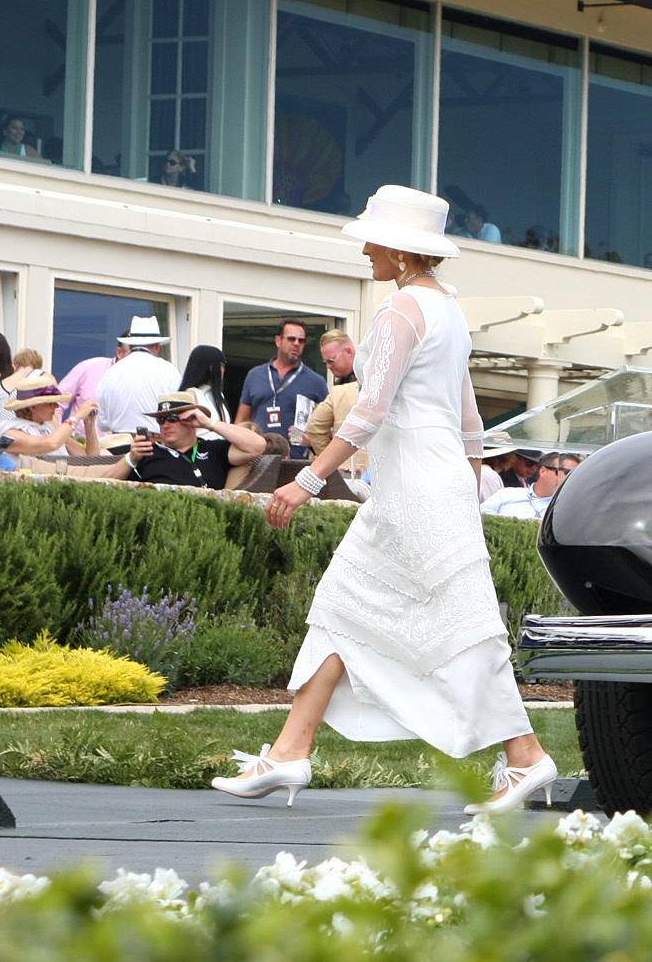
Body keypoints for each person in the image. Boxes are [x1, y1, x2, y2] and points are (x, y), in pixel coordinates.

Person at [211, 184, 555, 813]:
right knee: (345, 606)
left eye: (373, 239)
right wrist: (466, 485)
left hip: (416, 483)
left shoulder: (401, 312)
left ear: (399, 252)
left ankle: (525, 755)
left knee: (462, 624)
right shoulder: (446, 309)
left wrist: (306, 479)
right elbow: (469, 417)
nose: (365, 249)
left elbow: (370, 409)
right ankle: (289, 752)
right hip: (431, 479)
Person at [103, 391, 266, 487]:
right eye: (161, 420)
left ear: (192, 421)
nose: (165, 425)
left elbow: (257, 446)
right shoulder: (146, 452)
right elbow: (101, 485)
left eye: (173, 418)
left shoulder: (213, 450)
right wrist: (130, 459)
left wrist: (209, 423)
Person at [236, 321, 329, 455]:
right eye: (291, 338)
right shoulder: (255, 375)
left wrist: (311, 441)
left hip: (296, 460)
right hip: (258, 458)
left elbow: (327, 428)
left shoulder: (315, 381)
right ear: (278, 340)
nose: (296, 343)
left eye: (301, 340)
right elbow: (242, 420)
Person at [94, 317, 181, 436]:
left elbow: (103, 423)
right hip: (154, 446)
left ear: (130, 346)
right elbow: (179, 410)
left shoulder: (111, 372)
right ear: (157, 347)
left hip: (117, 446)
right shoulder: (167, 370)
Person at [300, 329, 364, 469]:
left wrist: (332, 462)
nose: (328, 366)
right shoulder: (340, 385)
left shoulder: (341, 390)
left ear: (349, 352)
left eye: (331, 360)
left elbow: (314, 428)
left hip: (354, 470)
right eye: (325, 362)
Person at [0, 371, 94, 459]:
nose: (56, 406)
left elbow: (92, 460)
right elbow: (50, 444)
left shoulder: (49, 430)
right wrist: (77, 416)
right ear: (33, 407)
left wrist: (89, 423)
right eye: (51, 403)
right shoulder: (10, 434)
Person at [481, 451, 577, 521]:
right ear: (543, 471)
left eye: (575, 474)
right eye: (567, 473)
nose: (570, 479)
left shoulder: (570, 509)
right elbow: (479, 517)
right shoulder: (507, 494)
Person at [178, 344, 229, 422]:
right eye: (222, 365)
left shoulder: (218, 395)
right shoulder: (191, 394)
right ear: (211, 367)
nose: (223, 369)